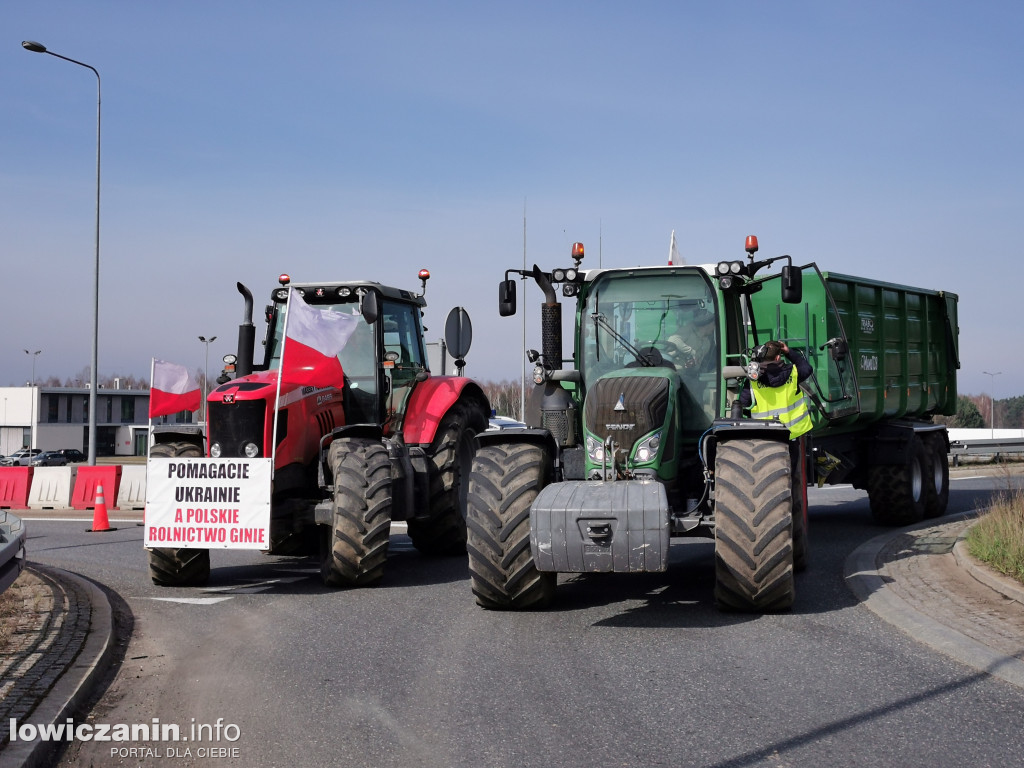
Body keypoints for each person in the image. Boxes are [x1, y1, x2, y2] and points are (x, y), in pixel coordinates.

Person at [736, 340, 813, 439]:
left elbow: (744, 404)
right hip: (794, 432)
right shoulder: (793, 372)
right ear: (777, 357)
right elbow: (807, 368)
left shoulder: (753, 379)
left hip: (765, 434)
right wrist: (788, 351)